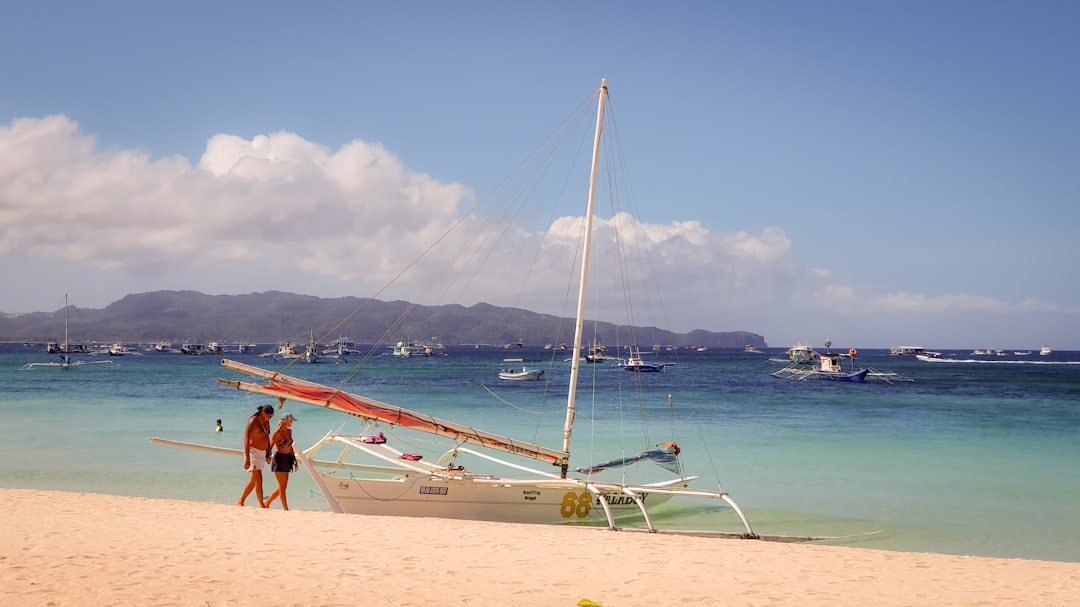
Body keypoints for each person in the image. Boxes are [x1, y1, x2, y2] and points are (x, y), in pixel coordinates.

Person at [237, 405, 274, 507]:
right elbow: (246, 439)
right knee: (259, 479)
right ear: (263, 413)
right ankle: (262, 505)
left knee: (254, 481)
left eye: (271, 416)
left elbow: (267, 437)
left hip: (262, 453)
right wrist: (247, 459)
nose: (270, 418)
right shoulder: (252, 421)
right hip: (253, 452)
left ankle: (241, 501)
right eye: (269, 416)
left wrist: (268, 453)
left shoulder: (266, 421)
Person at [265, 413, 298, 510]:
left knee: (283, 486)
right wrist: (268, 456)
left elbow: (290, 447)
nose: (292, 423)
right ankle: (286, 509)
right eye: (291, 421)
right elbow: (270, 446)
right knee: (282, 487)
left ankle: (267, 502)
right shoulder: (277, 432)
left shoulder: (289, 432)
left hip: (287, 459)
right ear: (285, 421)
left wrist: (294, 459)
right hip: (279, 459)